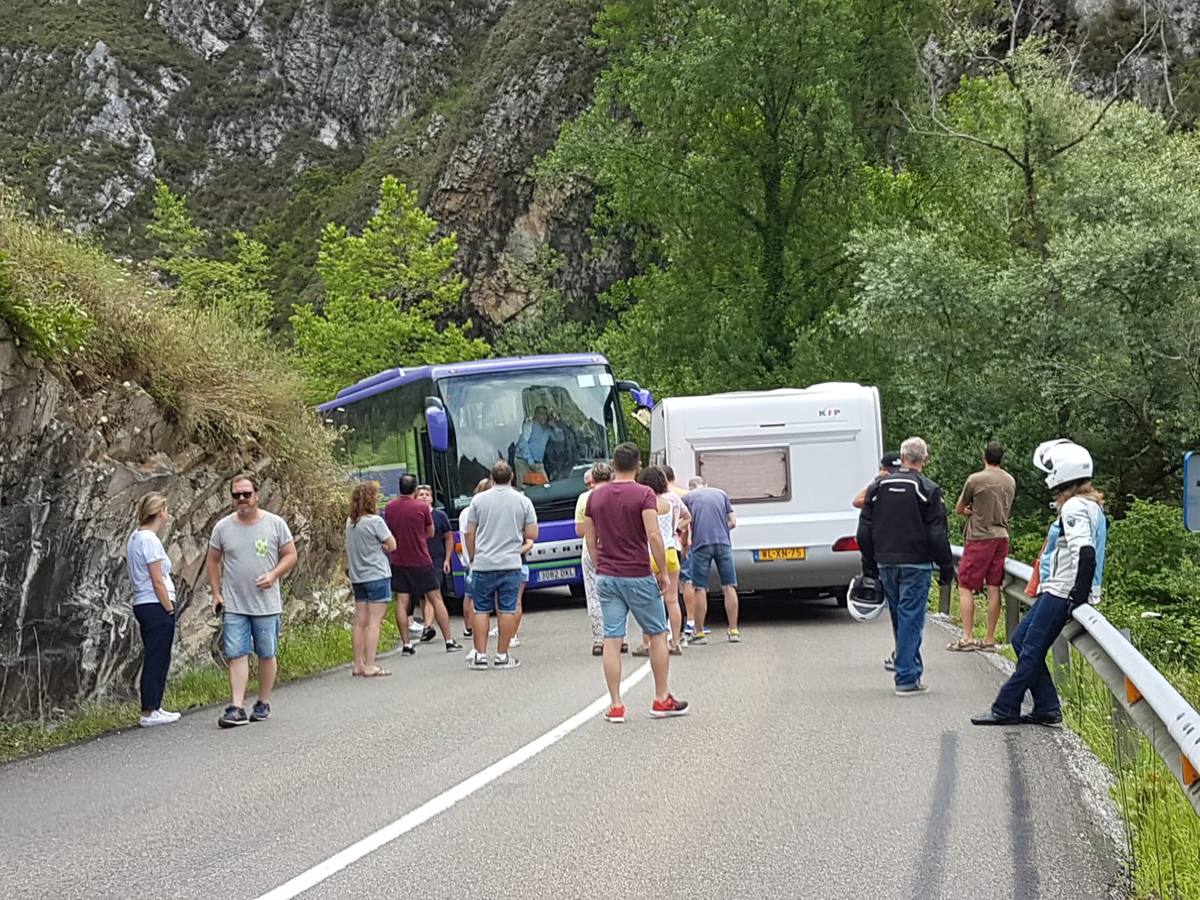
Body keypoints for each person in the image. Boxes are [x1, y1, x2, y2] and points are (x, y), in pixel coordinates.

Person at [973, 440, 1106, 726]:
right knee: (1021, 640)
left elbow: (1085, 550)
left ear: (1062, 471)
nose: (1048, 476)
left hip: (1062, 591)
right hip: (1060, 589)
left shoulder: (1073, 507)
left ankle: (1005, 707)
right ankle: (1046, 706)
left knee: (1031, 647)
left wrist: (1076, 597)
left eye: (1050, 470)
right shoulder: (1090, 505)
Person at [584, 443, 689, 723]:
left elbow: (589, 537)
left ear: (614, 464)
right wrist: (663, 572)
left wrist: (598, 564)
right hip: (637, 573)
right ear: (638, 465)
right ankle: (660, 697)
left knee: (612, 638)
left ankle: (616, 704)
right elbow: (654, 535)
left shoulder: (596, 496)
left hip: (607, 575)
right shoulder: (644, 494)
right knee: (656, 633)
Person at [856, 437, 953, 696]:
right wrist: (946, 566)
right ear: (925, 459)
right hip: (916, 563)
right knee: (912, 617)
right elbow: (937, 533)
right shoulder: (927, 488)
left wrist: (869, 563)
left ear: (902, 457)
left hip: (886, 561)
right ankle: (906, 678)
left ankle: (912, 669)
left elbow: (863, 530)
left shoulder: (877, 488)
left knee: (900, 618)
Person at [207, 472, 298, 728]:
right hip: (235, 603)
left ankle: (263, 701)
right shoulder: (223, 527)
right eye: (237, 495)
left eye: (247, 494)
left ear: (257, 495)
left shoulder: (275, 524)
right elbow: (212, 560)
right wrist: (216, 592)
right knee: (237, 653)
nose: (242, 499)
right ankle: (236, 707)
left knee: (266, 653)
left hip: (266, 604)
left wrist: (274, 574)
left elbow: (291, 555)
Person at [464, 461, 537, 669]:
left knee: (480, 609)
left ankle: (479, 656)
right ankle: (502, 655)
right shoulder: (523, 501)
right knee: (506, 609)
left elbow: (470, 532)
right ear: (512, 477)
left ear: (492, 478)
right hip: (510, 562)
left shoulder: (478, 500)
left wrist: (473, 557)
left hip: (483, 563)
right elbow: (532, 534)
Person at [383, 474, 463, 656]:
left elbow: (389, 531)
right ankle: (449, 640)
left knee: (402, 602)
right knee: (436, 598)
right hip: (421, 559)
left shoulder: (390, 508)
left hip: (398, 560)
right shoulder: (421, 507)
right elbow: (430, 531)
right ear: (415, 489)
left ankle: (406, 644)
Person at [950, 442, 1016, 653]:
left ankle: (968, 636)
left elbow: (960, 508)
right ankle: (989, 639)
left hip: (979, 537)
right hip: (1002, 536)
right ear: (1001, 458)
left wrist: (970, 511)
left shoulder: (975, 480)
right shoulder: (1010, 481)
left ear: (984, 457)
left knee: (965, 585)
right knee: (994, 586)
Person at [126, 492, 181, 728]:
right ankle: (150, 709)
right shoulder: (150, 539)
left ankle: (153, 706)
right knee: (158, 657)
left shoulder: (135, 537)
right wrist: (168, 609)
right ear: (161, 511)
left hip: (143, 602)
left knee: (154, 655)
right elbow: (157, 579)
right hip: (155, 604)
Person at [852, 451, 902, 671]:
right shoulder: (910, 486)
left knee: (898, 609)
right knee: (907, 609)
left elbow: (857, 501)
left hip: (888, 557)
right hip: (908, 555)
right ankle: (906, 654)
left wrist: (876, 482)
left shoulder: (879, 488)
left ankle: (903, 654)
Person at [632, 465, 685, 656]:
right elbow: (672, 529)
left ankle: (647, 642)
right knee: (672, 600)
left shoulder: (643, 505)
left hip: (649, 554)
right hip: (670, 551)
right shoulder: (668, 504)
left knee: (648, 601)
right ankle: (676, 641)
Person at [345, 481, 397, 677]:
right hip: (377, 574)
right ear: (370, 499)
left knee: (360, 621)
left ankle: (357, 664)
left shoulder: (350, 523)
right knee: (375, 622)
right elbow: (392, 545)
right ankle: (371, 664)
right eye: (376, 495)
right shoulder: (375, 522)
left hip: (358, 577)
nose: (378, 498)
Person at [683, 478, 740, 644]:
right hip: (723, 544)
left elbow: (686, 524)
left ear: (691, 487)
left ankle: (699, 633)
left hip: (701, 545)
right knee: (729, 586)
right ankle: (733, 630)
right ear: (705, 484)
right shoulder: (721, 494)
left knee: (700, 588)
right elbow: (733, 522)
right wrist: (721, 529)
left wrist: (686, 546)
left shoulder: (688, 498)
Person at [576, 462, 619, 655]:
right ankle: (620, 636)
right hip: (616, 544)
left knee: (594, 593)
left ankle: (599, 639)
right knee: (617, 592)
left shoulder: (585, 498)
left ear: (592, 478)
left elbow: (580, 530)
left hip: (591, 545)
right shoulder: (619, 494)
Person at [416, 484, 454, 643]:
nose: (424, 497)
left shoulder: (440, 516)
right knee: (424, 596)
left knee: (432, 593)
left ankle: (427, 626)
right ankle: (428, 625)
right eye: (421, 494)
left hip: (437, 560)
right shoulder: (414, 516)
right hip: (419, 560)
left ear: (432, 498)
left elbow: (449, 537)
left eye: (427, 494)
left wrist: (447, 559)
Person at [459, 477, 492, 639]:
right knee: (475, 598)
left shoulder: (467, 511)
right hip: (476, 560)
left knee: (470, 595)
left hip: (471, 560)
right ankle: (472, 627)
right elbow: (469, 535)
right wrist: (473, 558)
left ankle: (469, 627)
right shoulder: (473, 512)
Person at [514, 405, 563, 485]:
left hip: (538, 463)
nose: (543, 417)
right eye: (540, 414)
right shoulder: (530, 425)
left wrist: (554, 427)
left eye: (544, 414)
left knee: (545, 486)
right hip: (523, 461)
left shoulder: (548, 428)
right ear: (536, 415)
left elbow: (559, 438)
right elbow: (523, 443)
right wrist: (530, 460)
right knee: (525, 487)